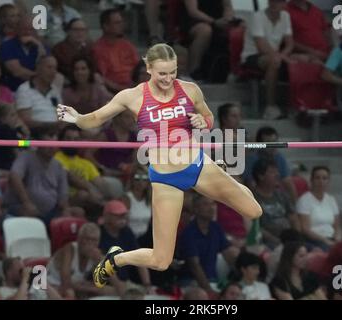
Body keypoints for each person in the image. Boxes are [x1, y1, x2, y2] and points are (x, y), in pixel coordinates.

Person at [57, 43, 262, 289]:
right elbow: (95, 119)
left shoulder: (190, 89)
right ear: (149, 68)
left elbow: (208, 119)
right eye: (162, 73)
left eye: (173, 72)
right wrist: (77, 118)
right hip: (166, 180)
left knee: (254, 211)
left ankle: (236, 186)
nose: (168, 79)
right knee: (161, 260)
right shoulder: (132, 96)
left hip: (197, 166)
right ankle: (118, 257)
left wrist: (202, 121)